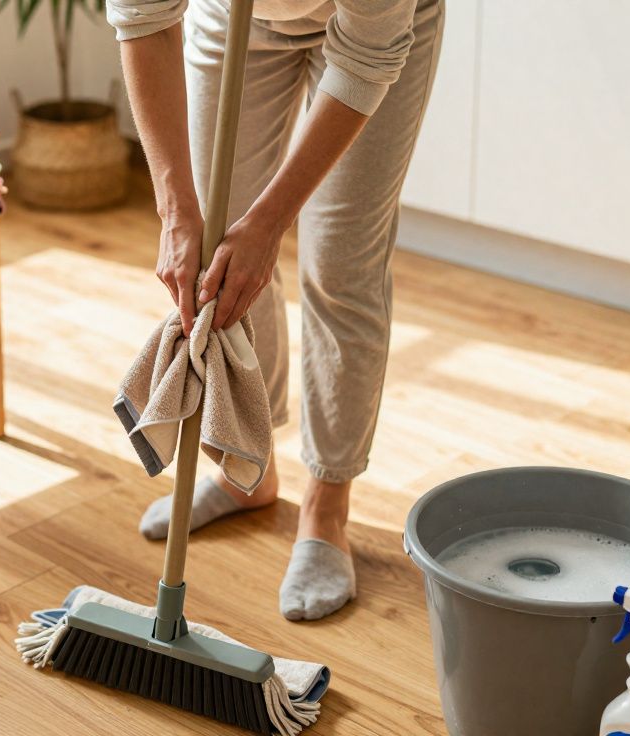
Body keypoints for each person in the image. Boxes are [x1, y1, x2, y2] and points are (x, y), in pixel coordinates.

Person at [108, 0, 444, 621]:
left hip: (372, 35)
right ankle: (249, 469)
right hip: (235, 19)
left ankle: (326, 506)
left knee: (342, 266)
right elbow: (143, 20)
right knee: (217, 260)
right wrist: (176, 211)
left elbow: (366, 58)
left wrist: (268, 224)